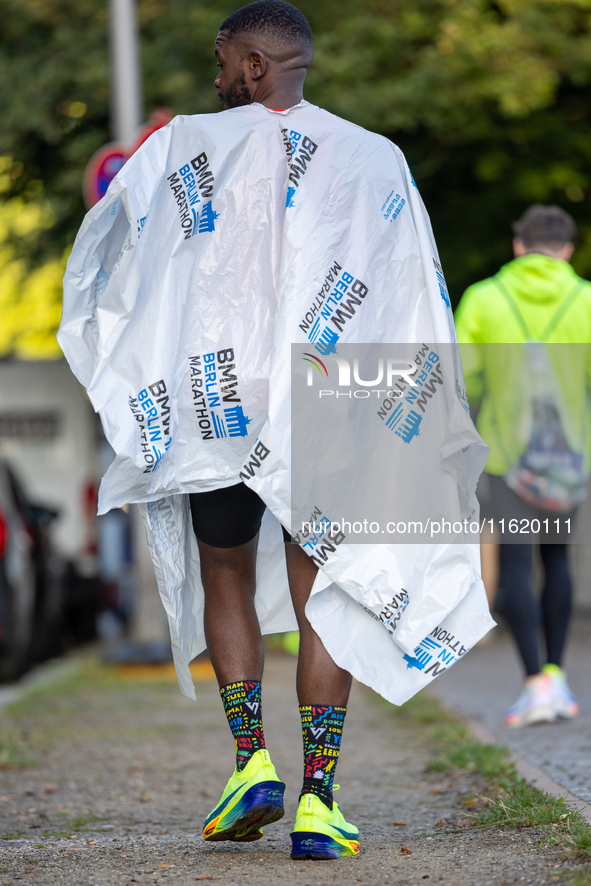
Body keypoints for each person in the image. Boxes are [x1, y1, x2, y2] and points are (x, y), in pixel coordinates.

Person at [60, 0, 492, 862]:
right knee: (321, 591)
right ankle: (318, 800)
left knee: (225, 570)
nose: (218, 77)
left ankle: (248, 760)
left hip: (214, 405)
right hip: (326, 407)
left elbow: (112, 265)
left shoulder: (180, 147)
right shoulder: (376, 158)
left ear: (254, 65)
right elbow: (412, 289)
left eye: (225, 61)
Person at [455, 204, 591, 728]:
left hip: (507, 456)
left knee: (514, 566)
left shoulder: (486, 299)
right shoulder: (584, 299)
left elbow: (463, 382)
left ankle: (535, 682)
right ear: (568, 249)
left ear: (518, 246)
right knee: (557, 560)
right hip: (570, 457)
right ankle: (555, 675)